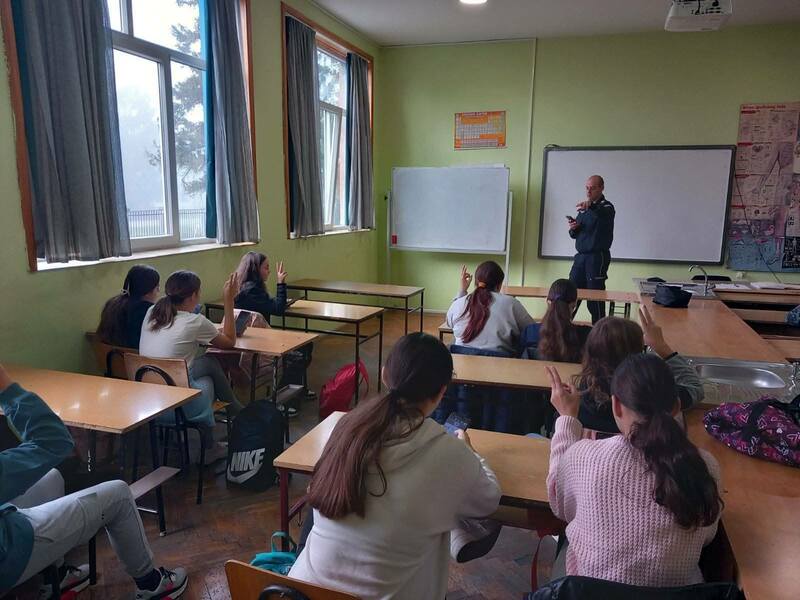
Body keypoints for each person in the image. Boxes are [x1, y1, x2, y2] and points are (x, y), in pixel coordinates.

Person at [289, 333, 502, 600]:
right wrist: (471, 452)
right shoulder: (449, 452)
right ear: (442, 391)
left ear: (383, 375)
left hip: (302, 592)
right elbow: (489, 500)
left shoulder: (346, 427)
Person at [0, 363, 187, 598]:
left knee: (52, 477)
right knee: (119, 493)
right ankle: (151, 584)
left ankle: (57, 576)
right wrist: (4, 386)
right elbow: (55, 441)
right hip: (9, 552)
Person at [545, 354, 722, 587]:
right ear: (677, 406)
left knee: (566, 546)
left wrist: (567, 420)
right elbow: (707, 535)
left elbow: (559, 505)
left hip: (589, 592)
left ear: (616, 405)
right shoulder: (706, 465)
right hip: (676, 593)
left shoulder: (585, 456)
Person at [139, 270, 243, 460]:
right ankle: (210, 447)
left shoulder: (151, 312)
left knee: (209, 362)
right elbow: (229, 341)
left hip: (148, 401)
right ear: (194, 295)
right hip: (178, 406)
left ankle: (234, 411)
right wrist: (228, 301)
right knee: (208, 380)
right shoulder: (195, 322)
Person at [576, 306, 703, 435]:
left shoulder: (582, 392)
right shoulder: (651, 392)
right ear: (637, 358)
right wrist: (661, 346)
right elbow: (694, 388)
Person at [234, 252, 313, 407]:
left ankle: (297, 389)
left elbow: (268, 305)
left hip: (252, 337)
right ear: (255, 270)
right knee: (302, 349)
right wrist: (280, 283)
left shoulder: (243, 287)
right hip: (257, 343)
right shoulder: (252, 291)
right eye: (266, 267)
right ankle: (284, 398)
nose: (269, 271)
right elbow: (277, 309)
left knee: (305, 345)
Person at [446, 261, 534, 355]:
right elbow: (531, 329)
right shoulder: (511, 303)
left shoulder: (459, 303)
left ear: (476, 282)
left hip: (462, 360)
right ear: (499, 285)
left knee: (454, 340)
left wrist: (462, 291)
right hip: (500, 362)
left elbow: (449, 323)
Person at [567, 175, 615, 324]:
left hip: (597, 258)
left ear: (601, 188)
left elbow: (601, 213)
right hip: (580, 257)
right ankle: (563, 328)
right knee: (571, 293)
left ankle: (599, 330)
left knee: (595, 299)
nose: (588, 191)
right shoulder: (583, 210)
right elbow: (574, 234)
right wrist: (574, 228)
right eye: (587, 188)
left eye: (592, 188)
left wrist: (591, 206)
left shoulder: (607, 207)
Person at [519, 278, 591, 363]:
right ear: (574, 305)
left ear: (547, 302)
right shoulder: (587, 335)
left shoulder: (529, 332)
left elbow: (519, 360)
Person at [97, 265, 160, 349]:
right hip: (137, 356)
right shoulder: (148, 311)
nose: (159, 291)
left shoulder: (112, 304)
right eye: (157, 287)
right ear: (147, 290)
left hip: (111, 356)